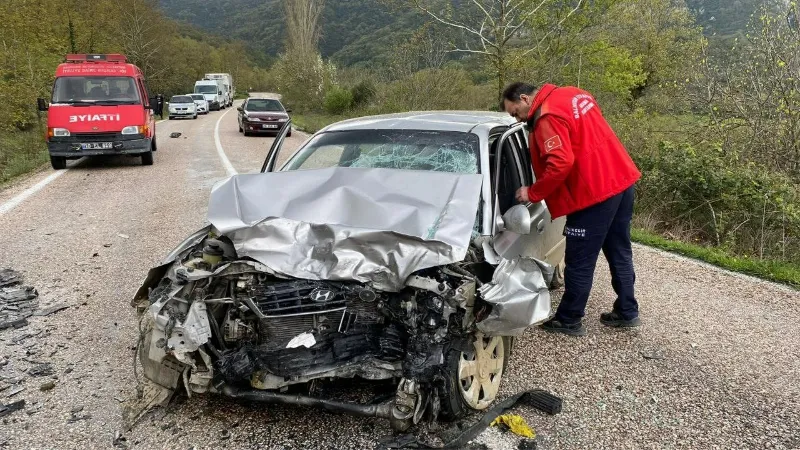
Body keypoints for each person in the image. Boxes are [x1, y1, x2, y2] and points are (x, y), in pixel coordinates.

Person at [501, 82, 642, 336]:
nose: (519, 119)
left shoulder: (546, 117)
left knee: (579, 260)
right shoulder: (573, 93)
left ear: (524, 98)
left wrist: (532, 193)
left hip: (593, 193)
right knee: (619, 249)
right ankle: (627, 311)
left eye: (515, 112)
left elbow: (560, 163)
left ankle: (569, 319)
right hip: (620, 179)